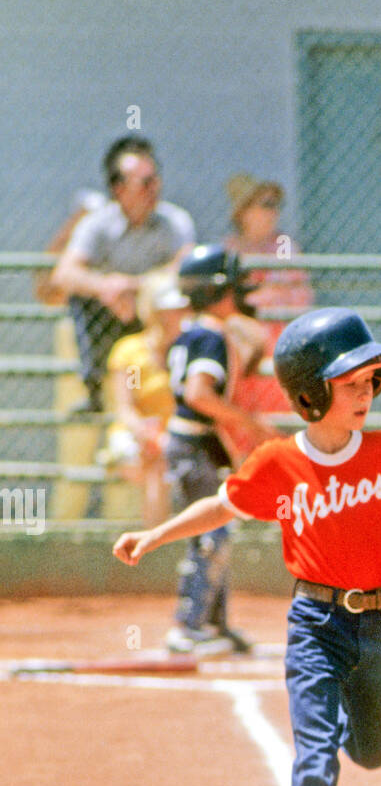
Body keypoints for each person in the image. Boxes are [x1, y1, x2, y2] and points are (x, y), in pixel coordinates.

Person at [113, 307, 381, 786]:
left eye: (372, 382)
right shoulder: (278, 463)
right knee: (314, 760)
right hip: (314, 626)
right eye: (351, 383)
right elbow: (220, 504)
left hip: (374, 623)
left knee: (372, 752)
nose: (366, 394)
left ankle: (364, 729)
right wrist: (154, 536)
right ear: (310, 393)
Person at [161, 244, 276, 654]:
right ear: (216, 292)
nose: (239, 293)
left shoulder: (198, 330)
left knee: (217, 528)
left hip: (198, 444)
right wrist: (251, 425)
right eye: (231, 287)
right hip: (194, 444)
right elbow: (199, 394)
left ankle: (215, 623)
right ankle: (187, 626)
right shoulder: (209, 334)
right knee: (210, 534)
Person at [51, 137, 195, 410]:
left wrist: (134, 287)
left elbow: (184, 270)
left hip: (155, 312)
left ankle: (180, 384)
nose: (155, 188)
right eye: (144, 183)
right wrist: (105, 287)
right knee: (81, 299)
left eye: (155, 179)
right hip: (112, 312)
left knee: (179, 298)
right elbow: (64, 274)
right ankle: (94, 391)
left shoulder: (174, 221)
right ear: (119, 189)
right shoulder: (98, 223)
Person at [223, 172, 314, 424]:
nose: (273, 212)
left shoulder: (283, 245)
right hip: (241, 336)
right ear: (243, 212)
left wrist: (256, 299)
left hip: (278, 333)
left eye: (276, 205)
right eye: (265, 205)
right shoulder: (230, 248)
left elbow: (295, 294)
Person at [100, 275, 190, 525]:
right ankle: (155, 541)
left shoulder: (188, 350)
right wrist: (148, 433)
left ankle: (154, 540)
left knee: (159, 461)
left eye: (181, 309)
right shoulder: (133, 353)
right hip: (135, 435)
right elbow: (126, 409)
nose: (178, 316)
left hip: (174, 436)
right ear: (153, 312)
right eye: (169, 310)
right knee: (155, 461)